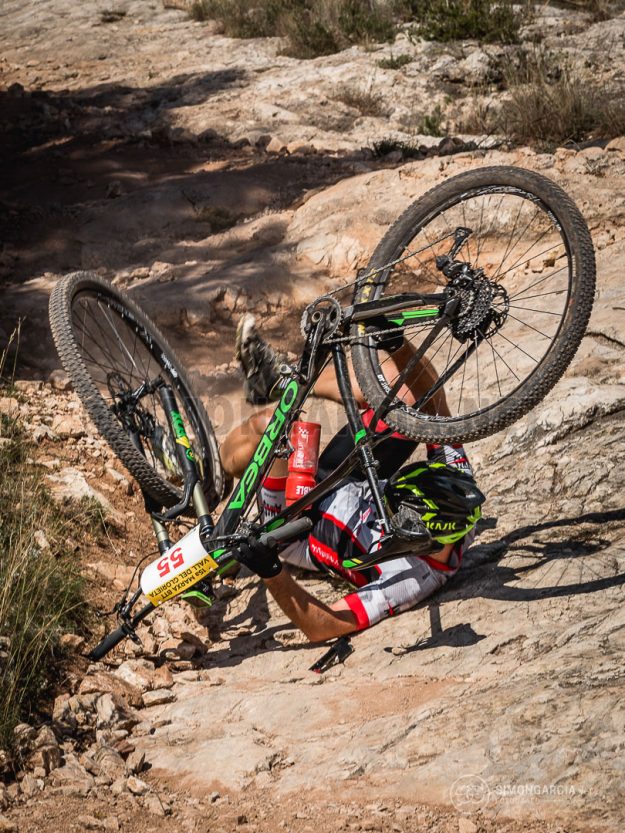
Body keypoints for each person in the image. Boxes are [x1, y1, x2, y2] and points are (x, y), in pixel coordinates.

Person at [219, 314, 485, 643]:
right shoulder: (458, 492)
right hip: (351, 481)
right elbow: (435, 403)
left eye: (392, 513)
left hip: (299, 526)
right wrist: (398, 344)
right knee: (402, 391)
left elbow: (325, 626)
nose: (386, 510)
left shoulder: (410, 580)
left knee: (268, 430)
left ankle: (224, 477)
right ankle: (285, 381)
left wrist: (271, 570)